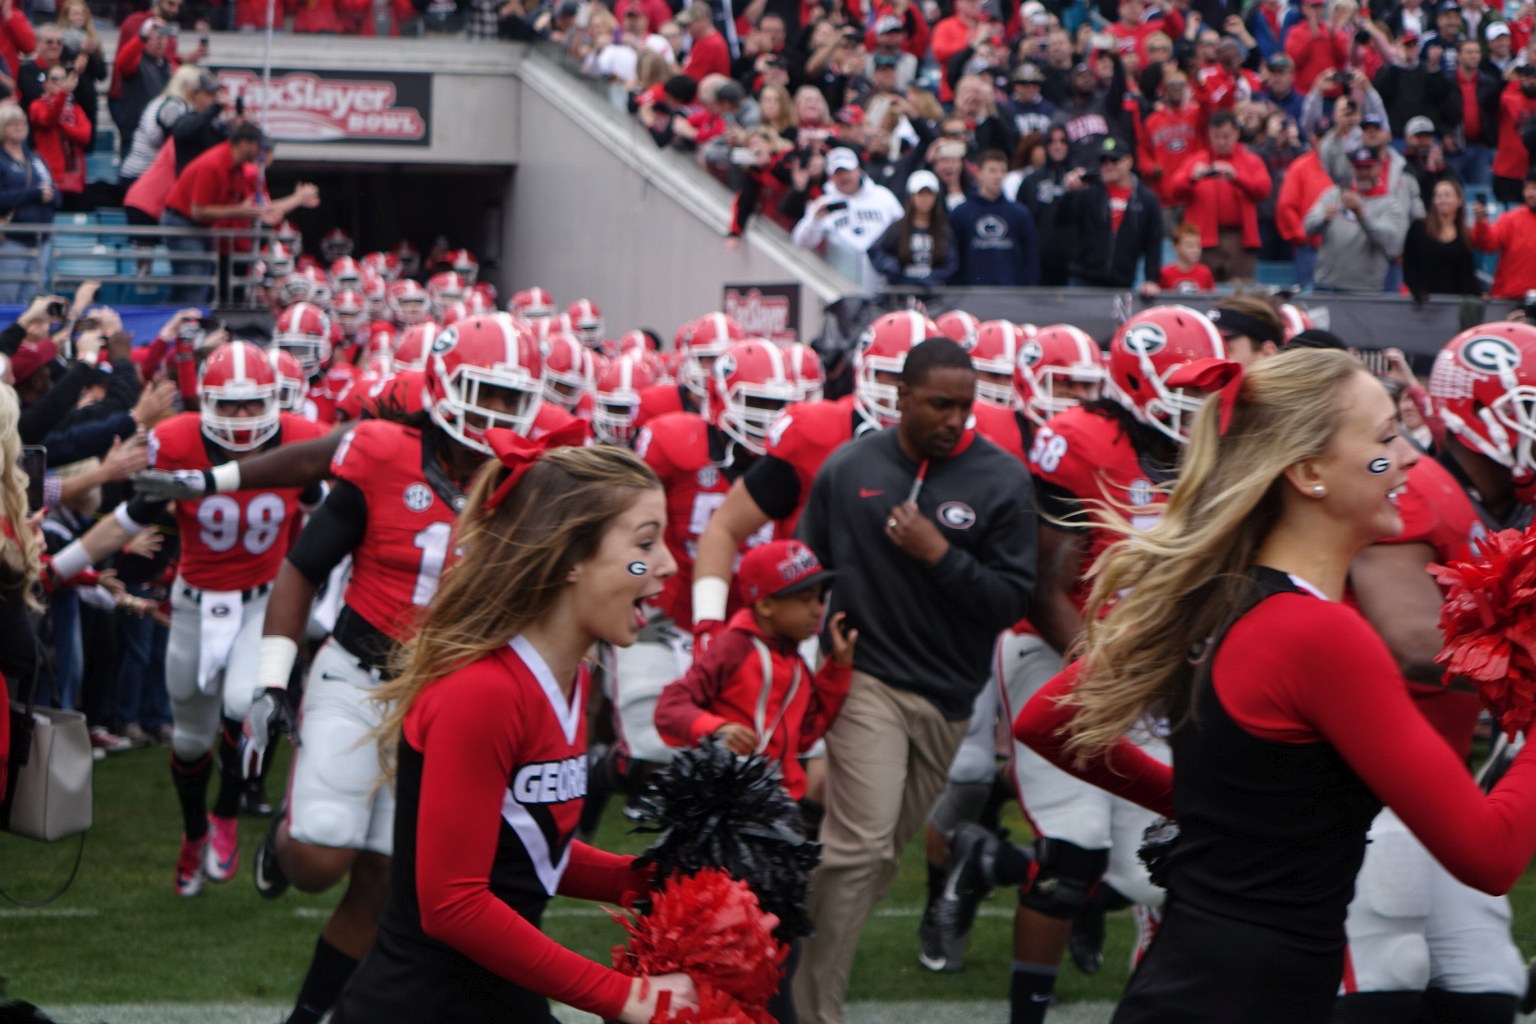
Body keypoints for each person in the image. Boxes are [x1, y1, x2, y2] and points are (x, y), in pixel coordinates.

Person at [1013, 347, 1536, 1024]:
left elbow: (1044, 722)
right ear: (1309, 472)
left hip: (1197, 990)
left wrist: (1203, 808)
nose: (1408, 458)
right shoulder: (1320, 636)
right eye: (1383, 440)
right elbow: (1489, 854)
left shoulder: (1218, 594)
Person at [242, 314, 551, 1024]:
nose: (498, 414)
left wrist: (635, 570)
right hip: (361, 674)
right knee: (322, 861)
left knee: (384, 882)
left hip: (448, 703)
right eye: (485, 393)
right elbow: (302, 567)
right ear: (444, 385)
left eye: (512, 399)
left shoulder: (532, 483)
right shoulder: (384, 454)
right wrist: (269, 679)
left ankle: (307, 1016)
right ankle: (282, 842)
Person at [327, 441, 697, 1024]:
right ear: (571, 556)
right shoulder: (484, 692)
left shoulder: (571, 676)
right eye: (644, 545)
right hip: (420, 1007)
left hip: (497, 999)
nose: (668, 564)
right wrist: (623, 995)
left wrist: (654, 881)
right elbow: (453, 903)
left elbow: (525, 847)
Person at [791, 337, 1036, 1024]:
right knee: (860, 845)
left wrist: (938, 556)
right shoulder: (848, 469)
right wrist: (813, 645)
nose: (955, 418)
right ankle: (811, 1010)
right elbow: (808, 568)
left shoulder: (1001, 480)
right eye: (939, 404)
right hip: (866, 680)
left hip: (950, 698)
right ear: (900, 396)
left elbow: (1011, 603)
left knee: (873, 864)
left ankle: (777, 944)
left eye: (965, 405)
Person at [57, 341, 329, 897]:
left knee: (241, 706)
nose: (240, 417)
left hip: (263, 599)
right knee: (188, 740)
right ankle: (194, 833)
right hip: (194, 603)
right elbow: (128, 520)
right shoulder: (177, 440)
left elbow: (326, 509)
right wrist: (57, 567)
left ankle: (228, 813)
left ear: (273, 401)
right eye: (227, 405)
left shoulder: (302, 437)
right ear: (204, 402)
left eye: (252, 404)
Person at [1335, 324, 1534, 1024]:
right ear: (1475, 412)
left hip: (1438, 777)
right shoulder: (1414, 482)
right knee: (1387, 972)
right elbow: (1413, 638)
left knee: (1486, 982)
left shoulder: (1508, 501)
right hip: (1359, 779)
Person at [654, 538, 858, 1022]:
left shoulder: (793, 658)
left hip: (779, 823)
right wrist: (714, 728)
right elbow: (672, 707)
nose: (818, 609)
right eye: (805, 597)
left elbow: (805, 731)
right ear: (764, 603)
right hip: (732, 826)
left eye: (820, 596)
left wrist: (837, 672)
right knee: (732, 951)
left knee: (776, 949)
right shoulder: (734, 645)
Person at [161, 122, 321, 305]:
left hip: (213, 233)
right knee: (194, 286)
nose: (261, 152)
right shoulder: (216, 164)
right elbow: (198, 211)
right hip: (190, 224)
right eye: (258, 146)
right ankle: (179, 327)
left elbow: (261, 208)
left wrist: (294, 199)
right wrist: (297, 198)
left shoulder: (237, 168)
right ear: (244, 143)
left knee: (196, 286)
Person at [1168, 111, 1273, 282]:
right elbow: (1172, 191)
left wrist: (1237, 177)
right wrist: (1192, 178)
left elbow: (1264, 190)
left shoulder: (1251, 160)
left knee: (1241, 293)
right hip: (1204, 240)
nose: (1221, 142)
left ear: (1237, 134)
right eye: (1216, 136)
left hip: (1240, 240)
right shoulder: (1197, 160)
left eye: (1226, 136)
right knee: (1202, 292)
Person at [1059, 135, 1164, 292]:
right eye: (1103, 161)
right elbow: (1062, 223)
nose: (1108, 165)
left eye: (1114, 160)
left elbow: (1153, 244)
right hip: (1083, 281)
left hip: (1122, 283)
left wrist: (1151, 279)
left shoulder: (1147, 199)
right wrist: (1068, 194)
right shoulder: (1087, 192)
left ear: (1129, 161)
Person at [789, 147, 903, 291]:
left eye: (847, 171)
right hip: (841, 282)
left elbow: (903, 229)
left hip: (882, 280)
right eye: (837, 173)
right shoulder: (823, 204)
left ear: (858, 170)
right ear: (830, 176)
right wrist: (814, 221)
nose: (843, 177)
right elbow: (799, 242)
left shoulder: (883, 196)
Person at [1305, 146, 1408, 292]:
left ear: (1379, 168)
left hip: (1364, 291)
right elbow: (1308, 227)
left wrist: (1361, 215)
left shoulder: (1389, 204)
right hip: (1326, 286)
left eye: (1368, 167)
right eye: (1359, 168)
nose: (1364, 173)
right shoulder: (1333, 195)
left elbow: (1391, 243)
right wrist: (1323, 219)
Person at [949, 149, 1040, 286]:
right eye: (992, 170)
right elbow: (954, 261)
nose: (998, 176)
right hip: (970, 296)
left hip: (1011, 295)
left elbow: (1031, 261)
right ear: (979, 173)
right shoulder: (960, 214)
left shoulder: (1020, 214)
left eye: (1002, 170)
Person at [0, 102, 56, 306]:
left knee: (35, 301)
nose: (18, 126)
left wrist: (51, 196)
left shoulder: (36, 158)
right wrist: (33, 194)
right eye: (11, 123)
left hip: (42, 239)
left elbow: (54, 192)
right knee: (8, 299)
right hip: (13, 240)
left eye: (21, 122)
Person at [868, 169, 959, 287]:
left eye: (929, 193)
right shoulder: (897, 228)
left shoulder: (943, 229)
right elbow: (875, 250)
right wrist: (890, 266)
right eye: (920, 193)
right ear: (911, 196)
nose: (925, 198)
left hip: (935, 296)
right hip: (902, 294)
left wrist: (934, 278)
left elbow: (952, 264)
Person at [1403, 177, 1480, 302]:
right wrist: (1417, 291)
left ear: (1459, 200)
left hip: (1454, 304)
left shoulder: (1465, 235)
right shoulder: (1418, 228)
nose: (1442, 200)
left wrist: (1478, 293)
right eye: (1438, 196)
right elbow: (1409, 266)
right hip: (1423, 304)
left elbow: (1467, 274)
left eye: (1447, 195)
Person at [27, 63, 90, 211]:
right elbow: (47, 120)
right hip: (50, 178)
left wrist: (62, 126)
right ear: (45, 83)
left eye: (62, 79)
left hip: (74, 179)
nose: (59, 82)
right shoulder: (37, 106)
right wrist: (63, 95)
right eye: (54, 78)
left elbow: (84, 136)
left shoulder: (75, 109)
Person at [1470, 169, 1536, 300]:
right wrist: (1482, 225)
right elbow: (1488, 244)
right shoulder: (1510, 219)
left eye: (1534, 188)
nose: (1529, 193)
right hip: (1508, 299)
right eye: (1527, 188)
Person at [1160, 221, 1216, 290]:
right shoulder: (1165, 273)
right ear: (1176, 247)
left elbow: (1212, 298)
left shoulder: (1205, 273)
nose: (1195, 250)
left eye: (1198, 245)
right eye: (1190, 246)